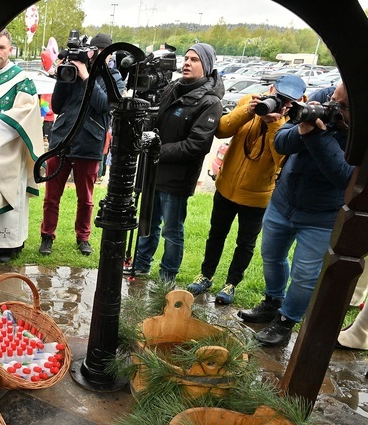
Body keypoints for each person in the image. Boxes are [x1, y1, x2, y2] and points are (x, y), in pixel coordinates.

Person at [239, 83, 354, 347]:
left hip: (322, 215)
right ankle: (272, 302)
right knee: (271, 256)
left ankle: (286, 320)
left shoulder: (359, 132)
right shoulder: (321, 98)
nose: (331, 106)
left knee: (305, 275)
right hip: (284, 201)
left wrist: (315, 136)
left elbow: (345, 177)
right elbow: (281, 143)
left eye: (343, 106)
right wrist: (303, 128)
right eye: (333, 99)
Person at [187, 75, 307, 305]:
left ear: (299, 100)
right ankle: (205, 275)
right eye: (278, 96)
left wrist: (275, 123)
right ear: (271, 89)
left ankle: (231, 283)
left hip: (257, 196)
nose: (281, 102)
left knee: (245, 243)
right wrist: (248, 112)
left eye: (288, 100)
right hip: (226, 187)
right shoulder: (249, 102)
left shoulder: (294, 123)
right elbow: (221, 130)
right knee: (216, 235)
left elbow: (281, 158)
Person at [131, 43, 224, 281]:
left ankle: (167, 276)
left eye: (194, 60)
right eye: (186, 58)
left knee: (171, 232)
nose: (187, 63)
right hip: (153, 172)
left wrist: (156, 148)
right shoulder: (172, 88)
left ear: (207, 66)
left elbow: (198, 145)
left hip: (177, 179)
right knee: (147, 224)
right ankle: (140, 266)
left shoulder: (210, 101)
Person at [39, 32, 124, 257]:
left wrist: (87, 77)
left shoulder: (113, 77)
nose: (95, 55)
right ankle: (47, 236)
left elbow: (104, 105)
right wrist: (63, 75)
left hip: (90, 142)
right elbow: (56, 106)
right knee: (51, 195)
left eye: (100, 52)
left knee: (85, 198)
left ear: (107, 54)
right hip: (62, 139)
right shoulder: (73, 71)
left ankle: (83, 237)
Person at [0, 29, 44, 263]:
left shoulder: (22, 79)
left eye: (1, 47)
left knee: (10, 194)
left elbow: (27, 112)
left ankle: (8, 244)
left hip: (9, 148)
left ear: (10, 49)